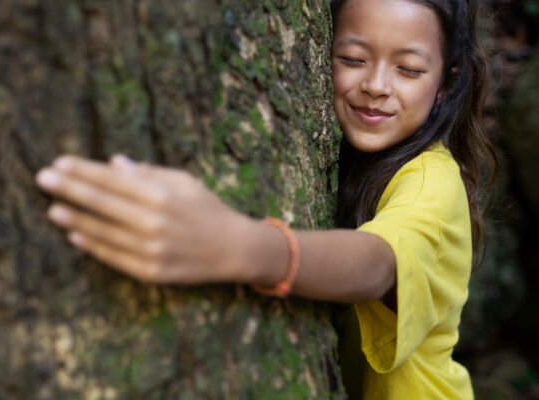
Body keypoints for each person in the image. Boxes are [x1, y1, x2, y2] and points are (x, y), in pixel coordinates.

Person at [35, 0, 496, 398]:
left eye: (409, 69)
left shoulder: (431, 182)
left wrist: (243, 247)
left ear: (446, 84)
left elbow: (377, 265)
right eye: (353, 58)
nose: (376, 84)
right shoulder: (351, 154)